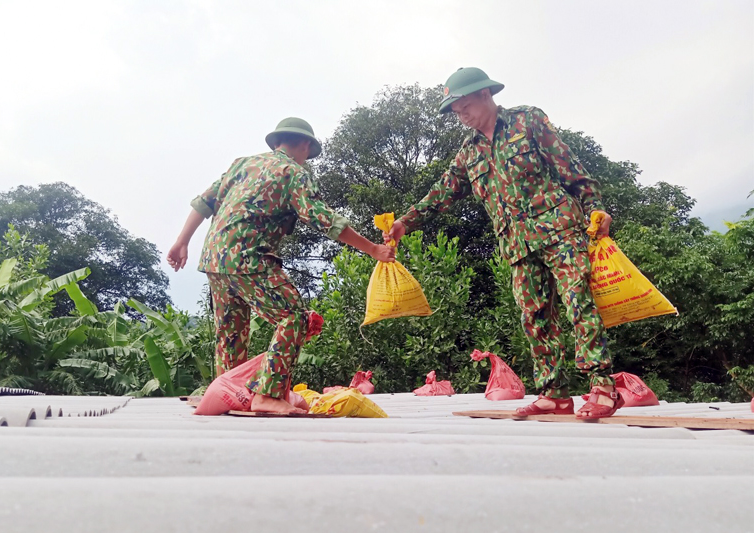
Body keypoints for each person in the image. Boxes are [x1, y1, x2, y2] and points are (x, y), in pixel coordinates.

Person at [385, 68, 622, 419]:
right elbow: (442, 192)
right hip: (516, 245)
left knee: (577, 301)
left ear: (485, 95)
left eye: (463, 105)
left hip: (560, 229)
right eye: (454, 110)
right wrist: (406, 221)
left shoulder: (529, 121)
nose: (460, 115)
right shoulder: (469, 151)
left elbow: (573, 170)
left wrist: (596, 207)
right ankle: (554, 393)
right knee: (534, 317)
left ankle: (602, 387)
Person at [168, 117, 395, 415]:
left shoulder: (241, 165)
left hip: (214, 258)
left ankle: (229, 393)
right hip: (249, 257)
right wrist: (374, 249)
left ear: (277, 142)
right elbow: (323, 219)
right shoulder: (293, 172)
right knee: (296, 317)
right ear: (304, 145)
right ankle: (267, 395)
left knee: (231, 332)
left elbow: (203, 204)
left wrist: (181, 241)